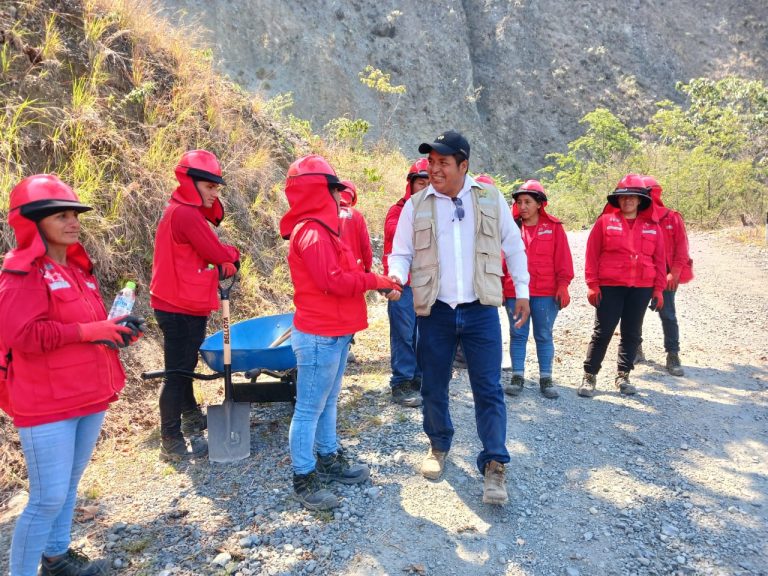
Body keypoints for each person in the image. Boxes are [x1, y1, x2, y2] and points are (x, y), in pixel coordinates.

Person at [0, 174, 142, 576]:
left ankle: (57, 556)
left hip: (87, 393)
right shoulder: (22, 273)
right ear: (33, 222)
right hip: (46, 403)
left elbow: (89, 328)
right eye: (60, 215)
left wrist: (115, 332)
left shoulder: (79, 271)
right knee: (45, 498)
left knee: (69, 483)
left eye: (75, 214)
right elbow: (22, 335)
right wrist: (90, 331)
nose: (73, 221)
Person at [388, 130, 530, 505]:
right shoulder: (416, 205)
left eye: (443, 163)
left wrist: (524, 291)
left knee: (489, 388)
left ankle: (495, 463)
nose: (435, 169)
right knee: (433, 386)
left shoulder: (490, 198)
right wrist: (397, 277)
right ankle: (438, 446)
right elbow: (400, 253)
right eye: (431, 162)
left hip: (481, 310)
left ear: (463, 165)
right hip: (435, 312)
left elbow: (513, 246)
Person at [279, 154, 402, 511]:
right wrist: (377, 280)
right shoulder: (312, 233)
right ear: (318, 192)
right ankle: (303, 478)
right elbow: (332, 281)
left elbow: (346, 271)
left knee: (327, 402)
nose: (339, 197)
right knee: (307, 409)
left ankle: (328, 458)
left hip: (333, 333)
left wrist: (374, 281)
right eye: (333, 190)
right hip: (319, 335)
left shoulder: (323, 230)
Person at [149, 150, 240, 462]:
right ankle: (171, 439)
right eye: (209, 186)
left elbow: (207, 248)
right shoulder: (186, 214)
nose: (215, 192)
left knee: (183, 368)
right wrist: (231, 257)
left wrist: (224, 256)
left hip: (177, 301)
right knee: (177, 373)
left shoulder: (183, 211)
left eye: (217, 188)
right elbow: (215, 251)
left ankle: (190, 418)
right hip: (179, 305)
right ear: (190, 183)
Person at [578, 174, 667, 398]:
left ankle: (623, 375)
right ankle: (589, 376)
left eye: (632, 197)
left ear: (640, 201)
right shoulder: (604, 222)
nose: (627, 201)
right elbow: (592, 255)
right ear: (618, 201)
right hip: (610, 287)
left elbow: (659, 261)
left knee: (632, 333)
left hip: (641, 288)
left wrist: (658, 289)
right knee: (602, 332)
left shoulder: (652, 228)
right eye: (623, 197)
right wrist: (592, 285)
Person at [502, 179, 574, 399]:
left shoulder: (554, 228)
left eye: (527, 202)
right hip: (515, 291)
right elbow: (502, 260)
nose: (522, 206)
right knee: (517, 334)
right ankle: (517, 377)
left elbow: (563, 260)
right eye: (520, 202)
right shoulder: (511, 228)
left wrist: (563, 286)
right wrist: (500, 286)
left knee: (543, 334)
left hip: (545, 292)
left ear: (539, 204)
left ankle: (546, 379)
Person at [634, 175, 693, 376]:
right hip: (639, 275)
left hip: (666, 276)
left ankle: (673, 354)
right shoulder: (634, 218)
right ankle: (635, 349)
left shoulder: (672, 217)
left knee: (667, 314)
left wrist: (674, 273)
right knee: (635, 313)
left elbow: (681, 249)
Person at [383, 159, 429, 407]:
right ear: (410, 185)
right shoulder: (397, 211)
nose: (425, 188)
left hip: (428, 285)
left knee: (424, 335)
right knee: (403, 334)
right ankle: (401, 383)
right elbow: (395, 236)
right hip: (403, 285)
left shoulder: (440, 211)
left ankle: (420, 379)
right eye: (421, 182)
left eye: (429, 183)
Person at [337, 179, 373, 364]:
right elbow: (365, 246)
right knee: (351, 311)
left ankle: (338, 346)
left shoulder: (326, 213)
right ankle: (347, 345)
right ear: (353, 197)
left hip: (332, 274)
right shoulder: (356, 216)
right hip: (354, 273)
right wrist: (368, 269)